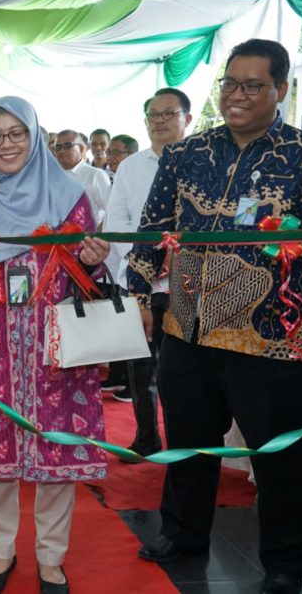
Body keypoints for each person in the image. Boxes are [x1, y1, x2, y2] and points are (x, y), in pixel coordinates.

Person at [128, 39, 302, 594]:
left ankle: (287, 560)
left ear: (281, 89)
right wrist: (138, 293)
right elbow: (152, 225)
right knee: (188, 439)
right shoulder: (186, 155)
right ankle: (182, 533)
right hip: (187, 324)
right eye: (230, 84)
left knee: (282, 450)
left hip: (273, 336)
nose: (238, 96)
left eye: (253, 85)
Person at [0, 96, 109, 594]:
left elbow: (90, 270)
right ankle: (0, 552)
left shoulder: (69, 198)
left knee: (55, 453)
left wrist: (94, 257)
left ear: (34, 135)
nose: (6, 144)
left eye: (16, 133)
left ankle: (51, 558)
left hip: (54, 343)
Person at [105, 88, 193, 461]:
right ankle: (145, 438)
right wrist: (144, 259)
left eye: (168, 114)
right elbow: (117, 219)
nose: (159, 122)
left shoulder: (203, 162)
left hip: (188, 281)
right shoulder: (131, 166)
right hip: (137, 281)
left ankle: (186, 440)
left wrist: (174, 259)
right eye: (152, 115)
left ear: (186, 118)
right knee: (139, 366)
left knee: (182, 369)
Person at [53, 130, 111, 226]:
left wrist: (99, 233)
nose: (62, 151)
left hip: (88, 237)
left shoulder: (95, 175)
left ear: (81, 148)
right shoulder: (51, 177)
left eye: (68, 146)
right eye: (57, 147)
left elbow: (112, 209)